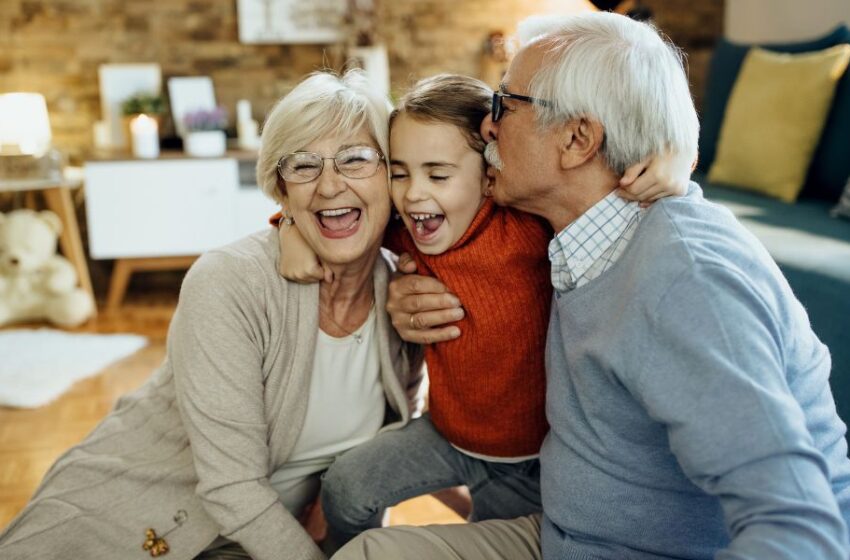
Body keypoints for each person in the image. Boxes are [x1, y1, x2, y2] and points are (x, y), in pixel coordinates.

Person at [336, 12, 850, 560]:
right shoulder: (571, 232)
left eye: (503, 106)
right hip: (563, 534)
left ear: (578, 138)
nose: (487, 127)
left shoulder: (685, 279)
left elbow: (798, 530)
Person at [0, 69, 426, 560]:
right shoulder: (228, 282)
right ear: (281, 192)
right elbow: (233, 487)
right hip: (132, 527)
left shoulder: (403, 291)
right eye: (303, 165)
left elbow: (389, 439)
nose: (329, 185)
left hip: (260, 543)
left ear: (391, 176)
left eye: (355, 159)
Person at [272, 72, 692, 548]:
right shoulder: (408, 228)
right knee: (345, 489)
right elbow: (341, 215)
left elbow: (613, 191)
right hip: (446, 433)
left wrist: (676, 158)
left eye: (438, 174)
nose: (412, 195)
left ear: (491, 177)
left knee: (488, 539)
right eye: (399, 172)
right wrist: (289, 226)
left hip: (529, 458)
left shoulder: (530, 227)